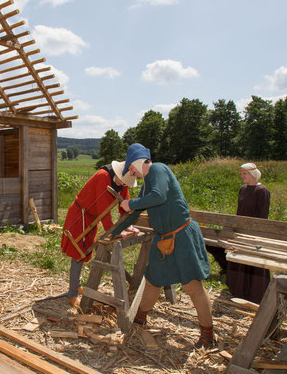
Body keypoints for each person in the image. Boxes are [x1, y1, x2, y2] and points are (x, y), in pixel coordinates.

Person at [111, 143, 214, 348]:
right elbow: (137, 212)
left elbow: (159, 197)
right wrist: (112, 233)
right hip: (164, 239)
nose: (131, 172)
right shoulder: (146, 184)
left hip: (182, 236)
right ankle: (140, 318)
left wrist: (130, 203)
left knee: (192, 286)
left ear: (138, 160)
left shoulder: (158, 169)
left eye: (131, 168)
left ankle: (208, 335)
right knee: (153, 280)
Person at [61, 161, 137, 308]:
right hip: (80, 215)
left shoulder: (123, 182)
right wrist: (114, 231)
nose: (122, 185)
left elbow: (124, 203)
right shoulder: (103, 176)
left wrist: (128, 225)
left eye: (125, 184)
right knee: (78, 253)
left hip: (91, 218)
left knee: (84, 252)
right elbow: (104, 209)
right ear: (118, 172)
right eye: (122, 181)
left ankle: (76, 286)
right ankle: (72, 294)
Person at [226, 163, 271, 303]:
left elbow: (263, 214)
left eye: (244, 174)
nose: (242, 176)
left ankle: (255, 292)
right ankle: (239, 290)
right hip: (241, 231)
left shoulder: (262, 191)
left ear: (253, 174)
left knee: (253, 259)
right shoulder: (243, 189)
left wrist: (256, 231)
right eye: (241, 174)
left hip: (254, 232)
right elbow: (240, 211)